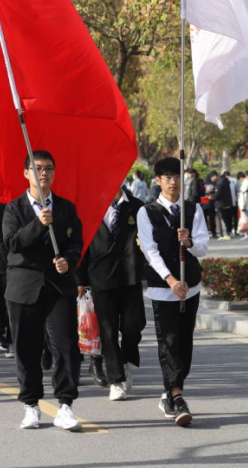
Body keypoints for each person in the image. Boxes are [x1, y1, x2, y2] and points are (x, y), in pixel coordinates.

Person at [2, 151, 85, 431]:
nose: (43, 174)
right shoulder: (14, 209)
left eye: (48, 168)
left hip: (58, 287)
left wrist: (68, 261)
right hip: (23, 288)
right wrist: (39, 224)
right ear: (26, 173)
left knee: (66, 346)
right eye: (37, 169)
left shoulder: (66, 208)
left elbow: (77, 243)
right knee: (27, 348)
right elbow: (12, 243)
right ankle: (31, 405)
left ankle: (65, 405)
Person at [137, 157, 207, 427]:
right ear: (157, 180)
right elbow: (150, 250)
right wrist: (170, 280)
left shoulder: (193, 209)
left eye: (177, 176)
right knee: (169, 341)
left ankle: (171, 391)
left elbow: (203, 247)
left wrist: (188, 242)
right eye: (167, 177)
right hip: (163, 289)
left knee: (185, 342)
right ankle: (177, 397)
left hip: (190, 287)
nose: (173, 181)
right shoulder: (147, 212)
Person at [80, 184, 147, 401]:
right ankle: (116, 380)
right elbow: (81, 245)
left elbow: (149, 240)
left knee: (133, 326)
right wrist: (79, 280)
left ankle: (125, 361)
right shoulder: (90, 207)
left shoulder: (137, 206)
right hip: (101, 276)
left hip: (131, 276)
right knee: (108, 330)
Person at [214, 171, 235, 238]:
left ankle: (224, 233)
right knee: (228, 218)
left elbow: (218, 193)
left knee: (223, 219)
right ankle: (229, 231)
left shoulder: (220, 182)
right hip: (229, 203)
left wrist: (213, 198)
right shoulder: (228, 181)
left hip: (221, 203)